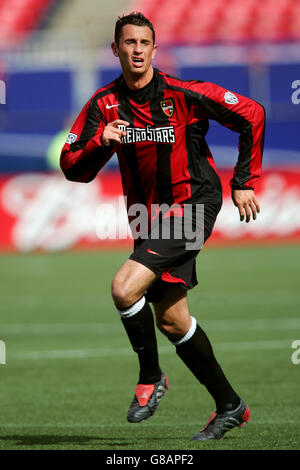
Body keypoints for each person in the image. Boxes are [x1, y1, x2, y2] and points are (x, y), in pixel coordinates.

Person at [60, 12, 265, 441]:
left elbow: (252, 113)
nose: (137, 49)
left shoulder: (182, 94)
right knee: (172, 321)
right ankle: (231, 406)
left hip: (194, 205)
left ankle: (151, 377)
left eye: (144, 42)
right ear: (115, 49)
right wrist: (102, 141)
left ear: (155, 48)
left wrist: (244, 181)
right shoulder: (103, 105)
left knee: (123, 287)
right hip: (148, 217)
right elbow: (72, 167)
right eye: (128, 42)